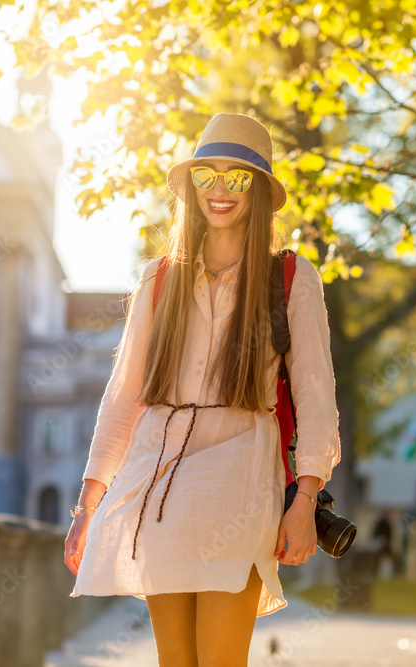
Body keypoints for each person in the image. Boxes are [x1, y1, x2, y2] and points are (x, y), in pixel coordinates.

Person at [64, 112, 341, 666]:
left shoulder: (289, 278)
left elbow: (316, 397)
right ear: (189, 186)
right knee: (176, 660)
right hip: (158, 476)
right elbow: (124, 397)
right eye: (206, 175)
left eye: (237, 177)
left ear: (259, 189)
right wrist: (87, 504)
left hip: (240, 476)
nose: (219, 190)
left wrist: (306, 499)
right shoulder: (158, 279)